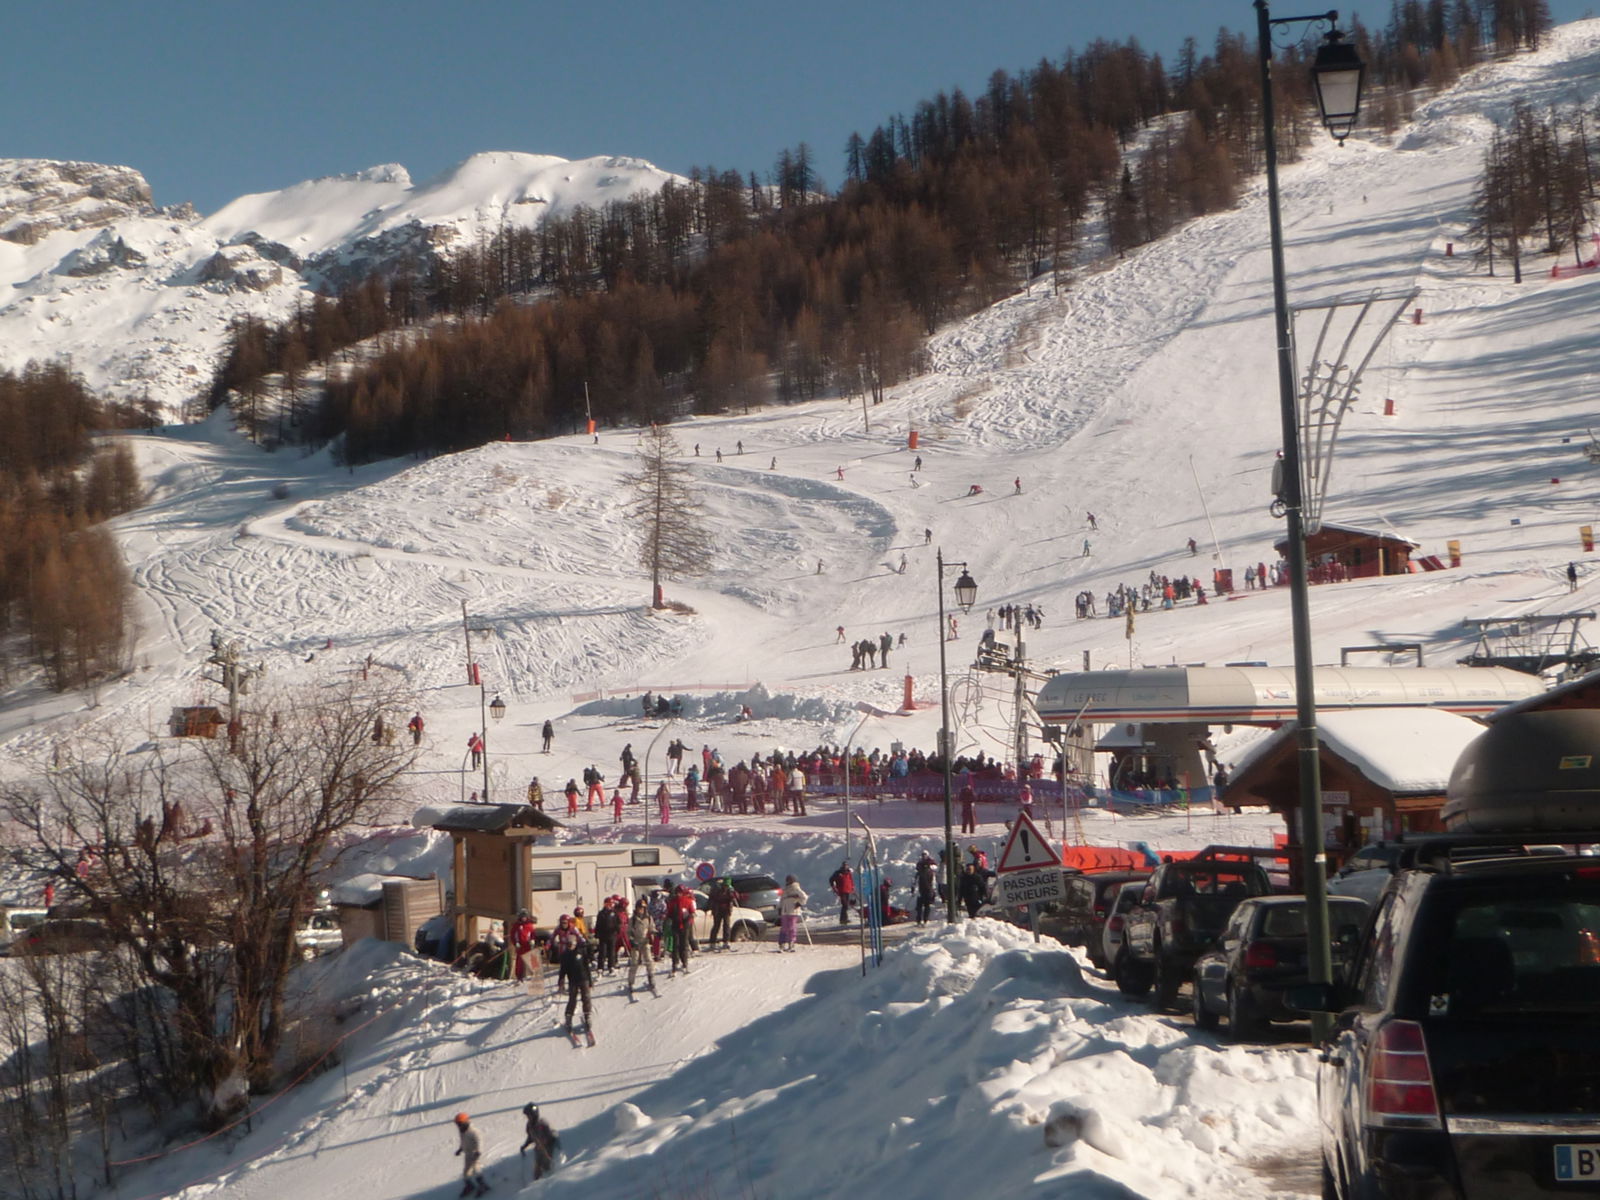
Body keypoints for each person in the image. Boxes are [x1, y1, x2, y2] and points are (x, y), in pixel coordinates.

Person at [558, 939, 594, 1043]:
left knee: (586, 998)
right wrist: (561, 980)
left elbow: (586, 967)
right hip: (573, 980)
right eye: (568, 944)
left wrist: (590, 981)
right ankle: (568, 1018)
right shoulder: (565, 955)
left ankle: (587, 1016)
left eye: (572, 944)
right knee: (572, 999)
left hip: (584, 978)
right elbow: (563, 969)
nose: (570, 946)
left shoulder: (580, 952)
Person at [520, 1103, 560, 1179]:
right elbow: (531, 1137)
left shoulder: (542, 1124)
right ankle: (537, 1184)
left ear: (534, 1114)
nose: (528, 1117)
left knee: (548, 1168)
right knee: (537, 1170)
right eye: (527, 1116)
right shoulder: (529, 1125)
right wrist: (525, 1145)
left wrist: (546, 1143)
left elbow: (552, 1136)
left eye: (529, 1115)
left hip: (548, 1150)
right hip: (539, 1151)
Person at [627, 897, 657, 997]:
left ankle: (651, 977)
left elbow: (651, 928)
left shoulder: (648, 918)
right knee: (635, 962)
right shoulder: (633, 919)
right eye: (640, 908)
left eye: (643, 908)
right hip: (636, 943)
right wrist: (631, 940)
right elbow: (629, 932)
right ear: (636, 908)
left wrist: (656, 933)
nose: (641, 910)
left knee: (649, 960)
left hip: (645, 942)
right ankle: (631, 982)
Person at [452, 1112, 489, 1196]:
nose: (458, 1125)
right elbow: (463, 1141)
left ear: (465, 1122)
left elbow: (479, 1141)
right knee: (466, 1172)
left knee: (476, 1169)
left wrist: (478, 1151)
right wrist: (460, 1149)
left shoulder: (473, 1131)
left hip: (475, 1154)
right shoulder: (462, 1131)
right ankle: (469, 1186)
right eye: (457, 1123)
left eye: (460, 1123)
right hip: (467, 1154)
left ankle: (483, 1185)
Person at [778, 874, 807, 951]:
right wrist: (780, 908)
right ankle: (782, 943)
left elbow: (804, 897)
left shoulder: (796, 888)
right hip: (784, 911)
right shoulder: (785, 890)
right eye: (787, 880)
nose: (788, 881)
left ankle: (791, 942)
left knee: (791, 927)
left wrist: (799, 903)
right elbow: (781, 900)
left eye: (789, 880)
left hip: (793, 911)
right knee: (784, 928)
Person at [594, 896, 622, 973]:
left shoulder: (614, 913)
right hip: (603, 935)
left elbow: (618, 922)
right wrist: (596, 933)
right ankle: (600, 967)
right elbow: (598, 924)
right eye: (609, 904)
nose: (610, 905)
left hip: (612, 935)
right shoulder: (601, 913)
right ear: (605, 904)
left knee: (612, 951)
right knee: (602, 951)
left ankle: (611, 966)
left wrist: (617, 929)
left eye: (611, 904)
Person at [510, 909, 537, 982]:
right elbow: (513, 935)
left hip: (528, 945)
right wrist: (516, 943)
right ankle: (519, 976)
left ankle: (535, 974)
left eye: (525, 917)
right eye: (522, 917)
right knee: (519, 962)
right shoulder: (516, 925)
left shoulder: (529, 925)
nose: (524, 918)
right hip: (520, 946)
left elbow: (533, 934)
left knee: (532, 958)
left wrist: (532, 940)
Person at [708, 878, 734, 950]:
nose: (726, 887)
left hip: (726, 910)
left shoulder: (730, 890)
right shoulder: (718, 890)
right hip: (718, 910)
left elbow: (735, 897)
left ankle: (726, 942)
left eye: (727, 886)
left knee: (726, 925)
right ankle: (712, 943)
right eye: (725, 885)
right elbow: (713, 898)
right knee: (716, 926)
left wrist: (733, 895)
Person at [829, 860, 855, 925]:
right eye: (844, 865)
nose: (845, 867)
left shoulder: (848, 873)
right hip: (842, 890)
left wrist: (852, 887)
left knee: (846, 905)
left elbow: (851, 880)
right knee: (844, 905)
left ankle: (844, 918)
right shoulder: (838, 873)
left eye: (846, 865)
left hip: (848, 890)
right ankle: (843, 919)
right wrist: (834, 887)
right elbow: (831, 879)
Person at [914, 852, 936, 925]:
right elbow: (933, 883)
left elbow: (916, 883)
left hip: (922, 891)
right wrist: (933, 891)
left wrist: (915, 890)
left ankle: (919, 920)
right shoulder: (931, 872)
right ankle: (925, 920)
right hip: (927, 890)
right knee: (926, 906)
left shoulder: (919, 873)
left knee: (920, 907)